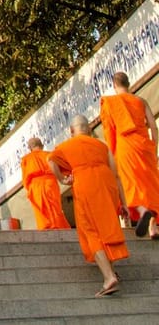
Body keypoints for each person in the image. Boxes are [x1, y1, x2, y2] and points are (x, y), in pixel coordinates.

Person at [48, 115, 129, 298]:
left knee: (90, 229)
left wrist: (62, 179)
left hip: (85, 182)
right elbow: (116, 174)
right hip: (106, 181)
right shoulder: (102, 145)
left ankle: (108, 277)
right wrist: (123, 202)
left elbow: (51, 161)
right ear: (89, 129)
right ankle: (111, 271)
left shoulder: (66, 146)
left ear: (71, 130)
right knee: (107, 226)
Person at [100, 71, 159, 239]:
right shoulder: (140, 101)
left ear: (114, 85)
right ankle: (153, 226)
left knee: (129, 183)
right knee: (150, 184)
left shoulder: (110, 103)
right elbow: (153, 127)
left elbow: (108, 130)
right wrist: (154, 147)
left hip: (125, 146)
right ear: (129, 83)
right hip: (144, 145)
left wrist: (112, 153)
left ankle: (142, 210)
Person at [20, 137, 71, 230]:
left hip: (35, 187)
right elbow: (62, 169)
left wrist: (30, 189)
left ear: (30, 148)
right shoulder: (49, 155)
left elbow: (25, 179)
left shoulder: (25, 159)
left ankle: (45, 228)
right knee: (54, 207)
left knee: (40, 211)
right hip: (50, 183)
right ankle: (59, 227)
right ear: (42, 146)